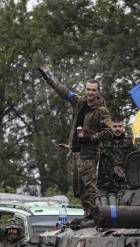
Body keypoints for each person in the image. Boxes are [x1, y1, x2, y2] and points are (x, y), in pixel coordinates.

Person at [38, 66, 113, 217]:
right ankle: (87, 212)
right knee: (78, 187)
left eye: (93, 90)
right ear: (85, 89)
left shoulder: (101, 110)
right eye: (88, 89)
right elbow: (64, 92)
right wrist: (48, 79)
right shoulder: (80, 102)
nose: (90, 92)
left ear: (98, 91)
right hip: (76, 151)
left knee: (88, 185)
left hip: (89, 153)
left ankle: (91, 213)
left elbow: (109, 131)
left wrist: (91, 138)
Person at [97, 116, 137, 195]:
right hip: (105, 185)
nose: (117, 129)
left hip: (124, 185)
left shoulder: (129, 142)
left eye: (120, 126)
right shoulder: (103, 141)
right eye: (114, 126)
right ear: (111, 127)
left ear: (123, 127)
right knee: (107, 207)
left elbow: (135, 161)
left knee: (123, 207)